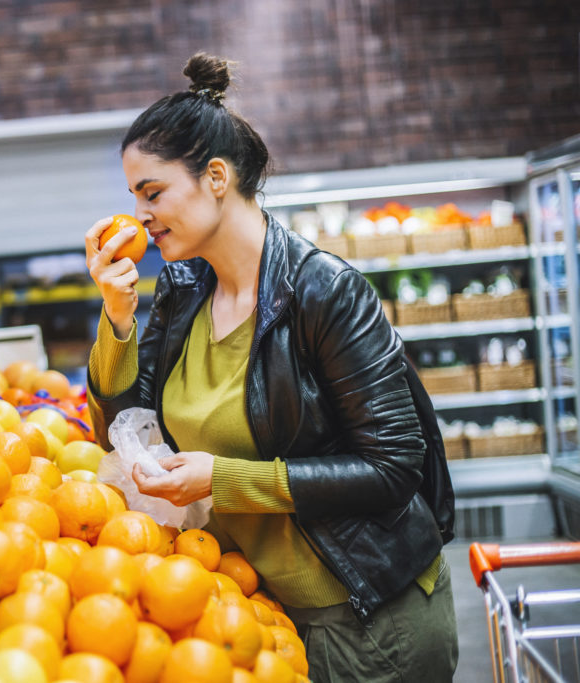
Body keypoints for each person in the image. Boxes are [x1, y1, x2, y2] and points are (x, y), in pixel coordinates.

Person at [85, 52, 458, 682]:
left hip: (370, 619)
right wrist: (118, 318)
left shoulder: (325, 292)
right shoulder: (184, 289)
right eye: (134, 197)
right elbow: (126, 433)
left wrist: (222, 479)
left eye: (153, 192)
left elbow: (395, 465)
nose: (141, 214)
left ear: (217, 178)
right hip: (263, 618)